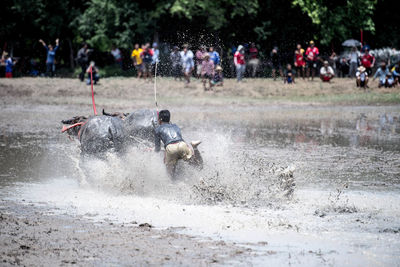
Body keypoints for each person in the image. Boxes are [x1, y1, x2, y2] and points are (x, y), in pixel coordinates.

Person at [154, 110, 202, 178]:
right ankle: (194, 146)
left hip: (171, 148)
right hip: (182, 144)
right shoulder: (176, 126)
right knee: (197, 166)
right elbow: (177, 139)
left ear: (160, 119)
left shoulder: (157, 129)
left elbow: (157, 149)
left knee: (170, 176)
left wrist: (156, 150)